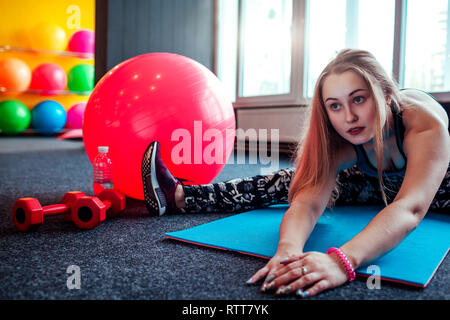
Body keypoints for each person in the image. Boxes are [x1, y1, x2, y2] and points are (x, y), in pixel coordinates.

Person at [141, 49, 450, 298]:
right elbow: (308, 201)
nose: (349, 117)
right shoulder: (341, 137)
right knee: (290, 180)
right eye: (335, 106)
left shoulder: (421, 122)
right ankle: (179, 196)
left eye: (359, 99)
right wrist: (288, 250)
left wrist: (341, 261)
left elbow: (411, 206)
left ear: (384, 93)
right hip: (376, 183)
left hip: (439, 190)